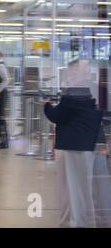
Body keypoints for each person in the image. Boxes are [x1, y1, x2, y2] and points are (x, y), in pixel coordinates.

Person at [43, 87, 103, 228]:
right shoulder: (92, 102)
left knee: (67, 187)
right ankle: (83, 221)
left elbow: (55, 116)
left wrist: (46, 105)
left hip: (68, 148)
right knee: (83, 188)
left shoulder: (69, 100)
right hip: (87, 147)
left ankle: (71, 221)